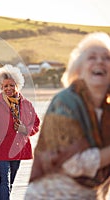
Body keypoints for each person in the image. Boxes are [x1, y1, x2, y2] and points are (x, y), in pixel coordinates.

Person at [25, 32, 110, 200]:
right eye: (91, 57)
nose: (100, 61)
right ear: (79, 69)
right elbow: (74, 164)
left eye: (107, 57)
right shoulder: (64, 102)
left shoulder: (107, 109)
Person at [0, 65, 40, 199]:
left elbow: (36, 125)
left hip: (18, 148)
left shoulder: (27, 104)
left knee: (10, 181)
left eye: (11, 85)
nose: (8, 89)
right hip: (0, 147)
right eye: (5, 86)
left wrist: (25, 130)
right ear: (1, 87)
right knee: (4, 180)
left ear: (18, 85)